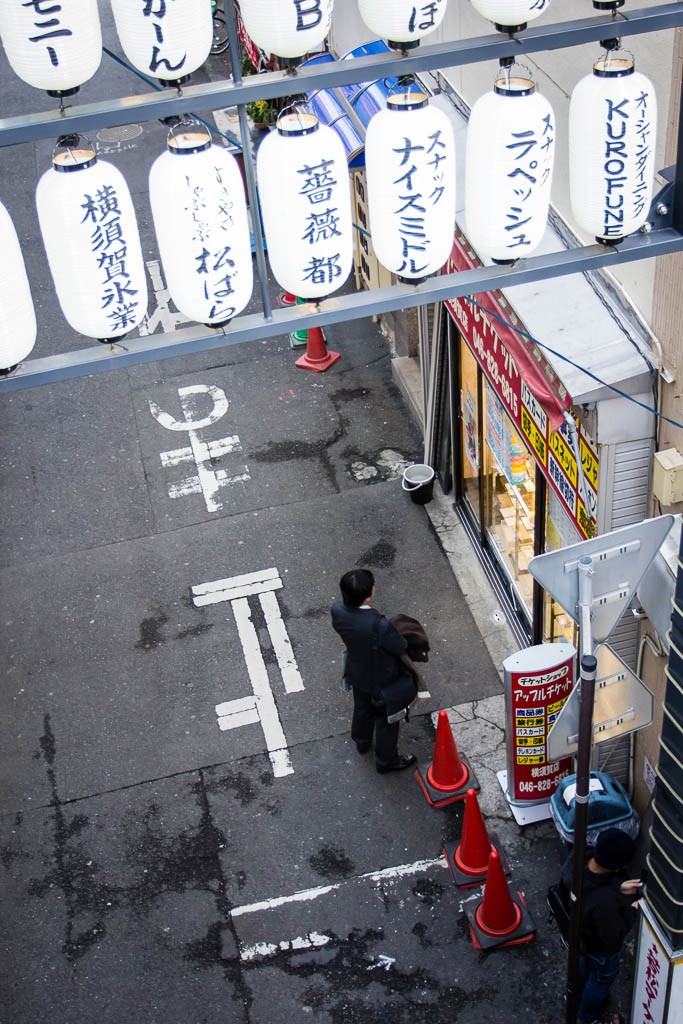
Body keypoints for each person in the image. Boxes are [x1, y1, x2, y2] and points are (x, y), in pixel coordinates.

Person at [330, 568, 417, 774]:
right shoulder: (379, 624)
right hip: (383, 678)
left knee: (362, 706)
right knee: (386, 719)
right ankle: (386, 760)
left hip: (357, 670)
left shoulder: (337, 611)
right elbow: (400, 646)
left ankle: (362, 741)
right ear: (369, 596)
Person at [561, 827, 641, 1024]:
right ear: (616, 868)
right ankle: (587, 1016)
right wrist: (632, 909)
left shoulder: (577, 859)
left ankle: (572, 998)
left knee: (579, 968)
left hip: (578, 937)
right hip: (600, 950)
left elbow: (596, 886)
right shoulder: (605, 903)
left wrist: (617, 887)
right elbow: (612, 936)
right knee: (600, 980)